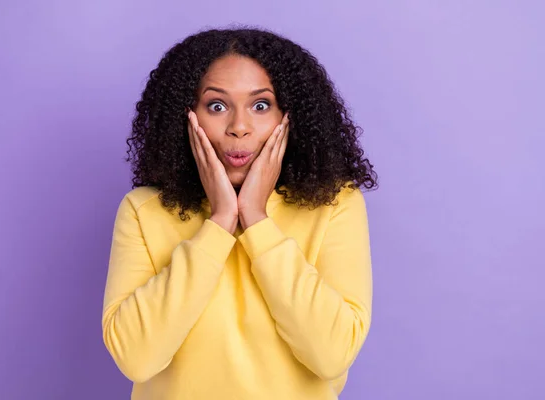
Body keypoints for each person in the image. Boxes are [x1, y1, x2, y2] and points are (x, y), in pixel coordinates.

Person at [101, 27, 378, 400]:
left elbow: (332, 355)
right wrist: (218, 224)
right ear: (186, 115)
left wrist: (256, 219)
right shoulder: (142, 211)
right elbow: (136, 359)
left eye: (261, 105)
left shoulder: (335, 205)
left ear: (289, 116)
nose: (239, 128)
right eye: (217, 106)